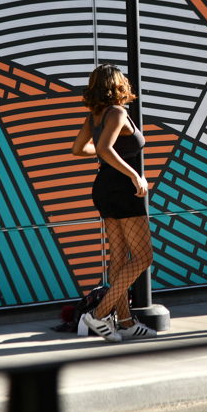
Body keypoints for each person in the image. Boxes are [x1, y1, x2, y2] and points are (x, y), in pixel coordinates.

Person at [70, 64, 157, 341]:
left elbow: (78, 149)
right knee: (143, 257)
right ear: (118, 85)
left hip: (104, 187)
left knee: (119, 258)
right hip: (122, 188)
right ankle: (97, 315)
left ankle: (127, 322)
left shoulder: (95, 116)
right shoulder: (118, 113)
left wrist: (104, 152)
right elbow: (105, 149)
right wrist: (135, 176)